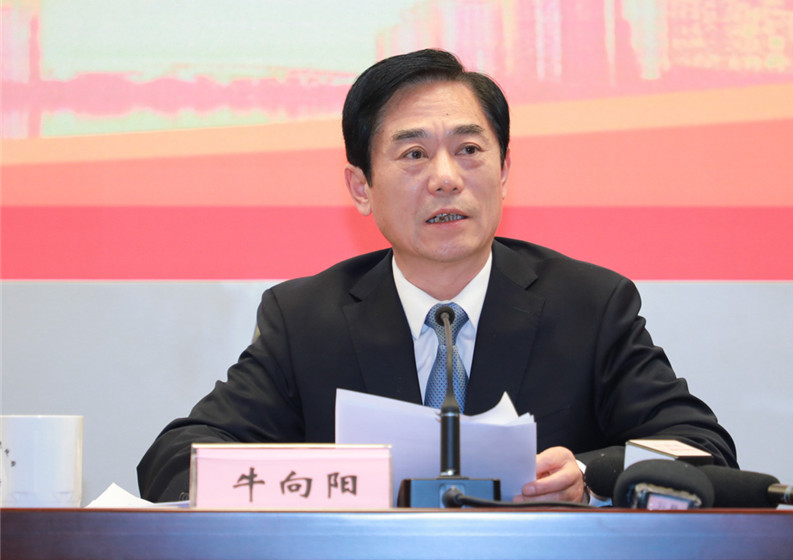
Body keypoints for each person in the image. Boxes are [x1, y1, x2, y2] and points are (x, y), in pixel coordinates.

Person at [138, 48, 737, 503]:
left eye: (469, 150)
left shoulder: (589, 305)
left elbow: (702, 450)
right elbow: (174, 463)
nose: (446, 178)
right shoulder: (305, 320)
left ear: (504, 171)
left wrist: (585, 476)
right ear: (361, 187)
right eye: (413, 154)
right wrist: (333, 481)